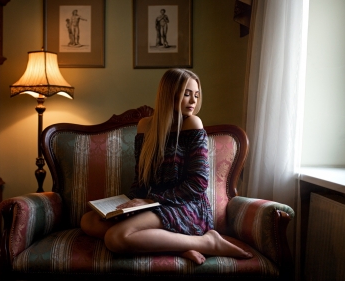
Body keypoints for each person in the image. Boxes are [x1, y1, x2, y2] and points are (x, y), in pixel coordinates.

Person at [80, 68, 253, 265]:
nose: (193, 101)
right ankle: (182, 246)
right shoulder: (145, 126)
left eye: (196, 95)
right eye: (187, 94)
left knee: (115, 238)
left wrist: (149, 201)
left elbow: (198, 184)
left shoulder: (193, 124)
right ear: (169, 94)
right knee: (89, 220)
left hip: (187, 207)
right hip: (154, 203)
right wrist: (130, 203)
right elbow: (141, 178)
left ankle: (208, 242)